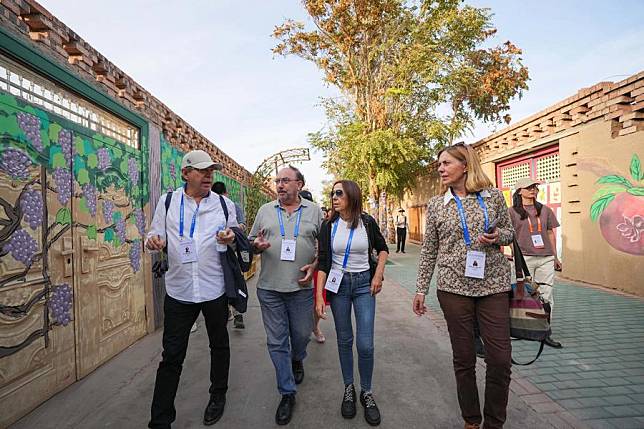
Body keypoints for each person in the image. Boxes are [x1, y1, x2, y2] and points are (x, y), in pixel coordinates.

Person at [412, 143, 515, 429]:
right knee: (464, 357)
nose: (441, 169)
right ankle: (471, 419)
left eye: (446, 163)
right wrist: (420, 289)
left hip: (492, 284)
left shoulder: (492, 196)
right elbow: (429, 249)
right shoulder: (436, 205)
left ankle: (494, 423)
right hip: (452, 288)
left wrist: (497, 237)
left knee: (500, 358)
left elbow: (509, 233)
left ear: (465, 165)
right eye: (439, 164)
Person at [145, 150, 238, 428]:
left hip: (214, 289)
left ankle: (217, 395)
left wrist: (231, 236)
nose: (209, 175)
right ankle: (160, 419)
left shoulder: (223, 204)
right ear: (186, 173)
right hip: (179, 291)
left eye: (211, 171)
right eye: (202, 170)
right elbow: (153, 233)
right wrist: (153, 241)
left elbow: (235, 235)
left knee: (219, 345)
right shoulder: (168, 201)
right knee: (172, 355)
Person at [248, 166, 322, 425]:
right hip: (269, 289)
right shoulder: (265, 211)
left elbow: (323, 248)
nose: (280, 185)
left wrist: (314, 266)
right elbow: (250, 241)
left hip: (301, 289)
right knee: (277, 341)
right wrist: (256, 246)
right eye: (277, 181)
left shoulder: (314, 211)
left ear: (299, 184)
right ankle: (287, 392)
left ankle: (297, 357)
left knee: (301, 334)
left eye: (286, 180)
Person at [317, 180, 388, 426]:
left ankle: (366, 391)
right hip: (338, 288)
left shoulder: (366, 222)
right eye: (332, 194)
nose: (334, 198)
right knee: (345, 340)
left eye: (339, 193)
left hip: (363, 285)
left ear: (351, 196)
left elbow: (383, 249)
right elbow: (323, 263)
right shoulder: (328, 225)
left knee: (365, 344)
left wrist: (377, 275)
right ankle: (349, 387)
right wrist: (319, 297)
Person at [509, 177, 563, 349]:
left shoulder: (545, 210)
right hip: (524, 259)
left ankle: (545, 332)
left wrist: (555, 257)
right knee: (522, 294)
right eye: (529, 187)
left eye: (535, 187)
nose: (533, 189)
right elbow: (509, 237)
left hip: (545, 258)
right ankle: (524, 328)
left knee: (547, 296)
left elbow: (550, 233)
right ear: (519, 191)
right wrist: (515, 256)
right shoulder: (511, 212)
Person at [213, 181, 247, 329]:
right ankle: (237, 311)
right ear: (226, 192)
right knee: (233, 278)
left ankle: (229, 311)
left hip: (217, 252)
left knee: (223, 281)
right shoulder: (233, 205)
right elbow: (241, 226)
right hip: (231, 250)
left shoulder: (215, 206)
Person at [298, 190, 327, 344]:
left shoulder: (316, 217)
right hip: (299, 266)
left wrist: (317, 262)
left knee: (318, 299)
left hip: (318, 265)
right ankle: (299, 330)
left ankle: (315, 327)